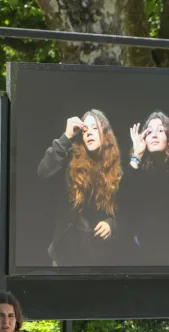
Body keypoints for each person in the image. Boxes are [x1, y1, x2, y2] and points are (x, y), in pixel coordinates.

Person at [37, 110, 121, 266]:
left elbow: (128, 212)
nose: (89, 133)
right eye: (85, 130)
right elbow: (43, 171)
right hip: (66, 255)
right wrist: (66, 137)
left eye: (95, 128)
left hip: (100, 258)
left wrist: (112, 225)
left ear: (105, 133)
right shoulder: (71, 158)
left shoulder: (116, 171)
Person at [118, 111, 169, 263]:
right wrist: (137, 155)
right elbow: (121, 201)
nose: (154, 135)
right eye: (149, 131)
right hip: (143, 257)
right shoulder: (139, 173)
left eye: (160, 130)